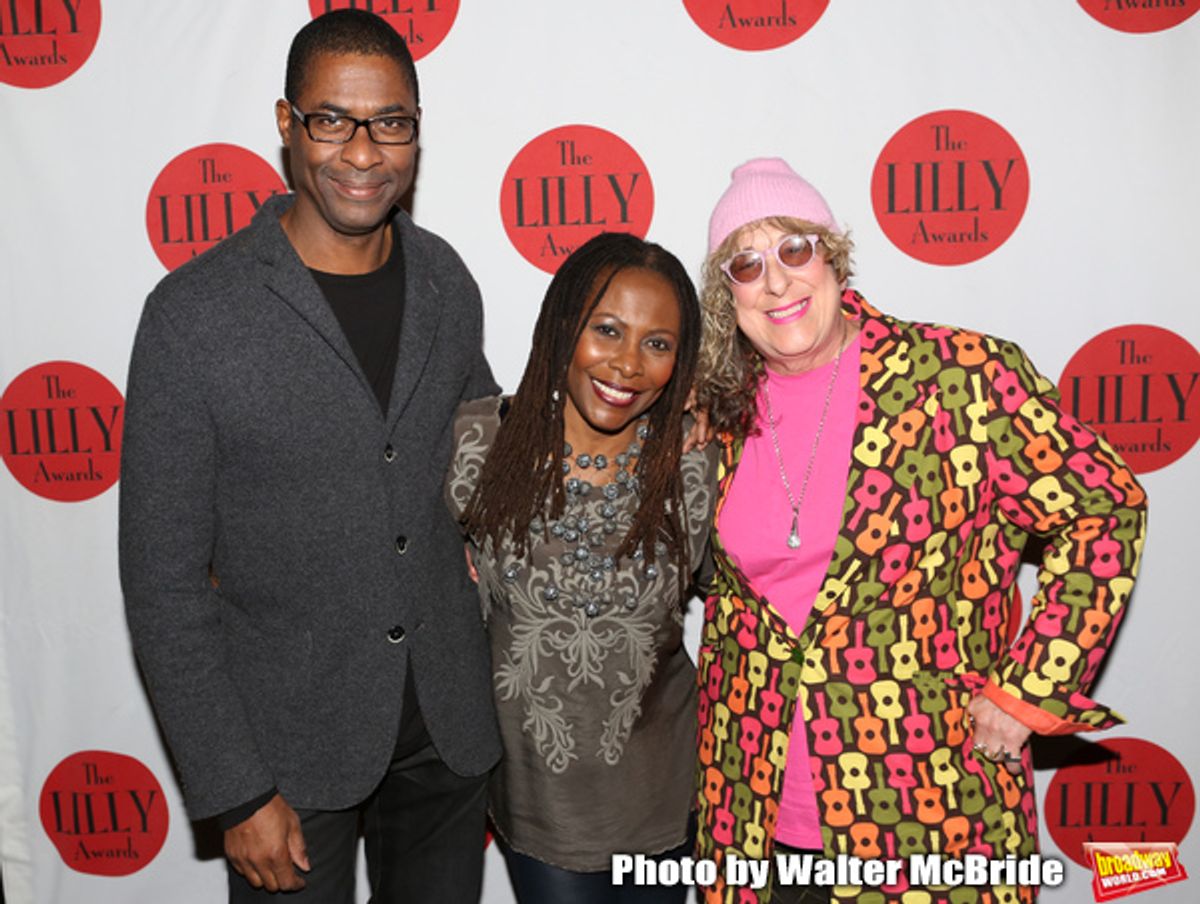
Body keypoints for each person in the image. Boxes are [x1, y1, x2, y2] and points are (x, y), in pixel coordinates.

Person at [691, 158, 1147, 904]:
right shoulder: (718, 410)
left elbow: (1105, 507)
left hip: (929, 809)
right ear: (727, 295)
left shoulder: (961, 377)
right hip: (753, 809)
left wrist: (1030, 688)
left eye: (794, 249)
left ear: (833, 255)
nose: (775, 282)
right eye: (746, 264)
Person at [119, 10, 500, 902]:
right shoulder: (191, 317)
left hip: (446, 739)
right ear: (287, 124)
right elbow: (161, 582)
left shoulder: (447, 281)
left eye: (391, 123)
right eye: (332, 120)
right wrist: (235, 789)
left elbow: (487, 468)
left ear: (416, 128)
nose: (364, 153)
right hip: (283, 759)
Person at [445, 232, 718, 903]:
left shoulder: (698, 458)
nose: (627, 363)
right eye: (607, 330)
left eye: (658, 343)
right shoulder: (475, 443)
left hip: (666, 792)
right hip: (541, 804)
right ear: (563, 326)